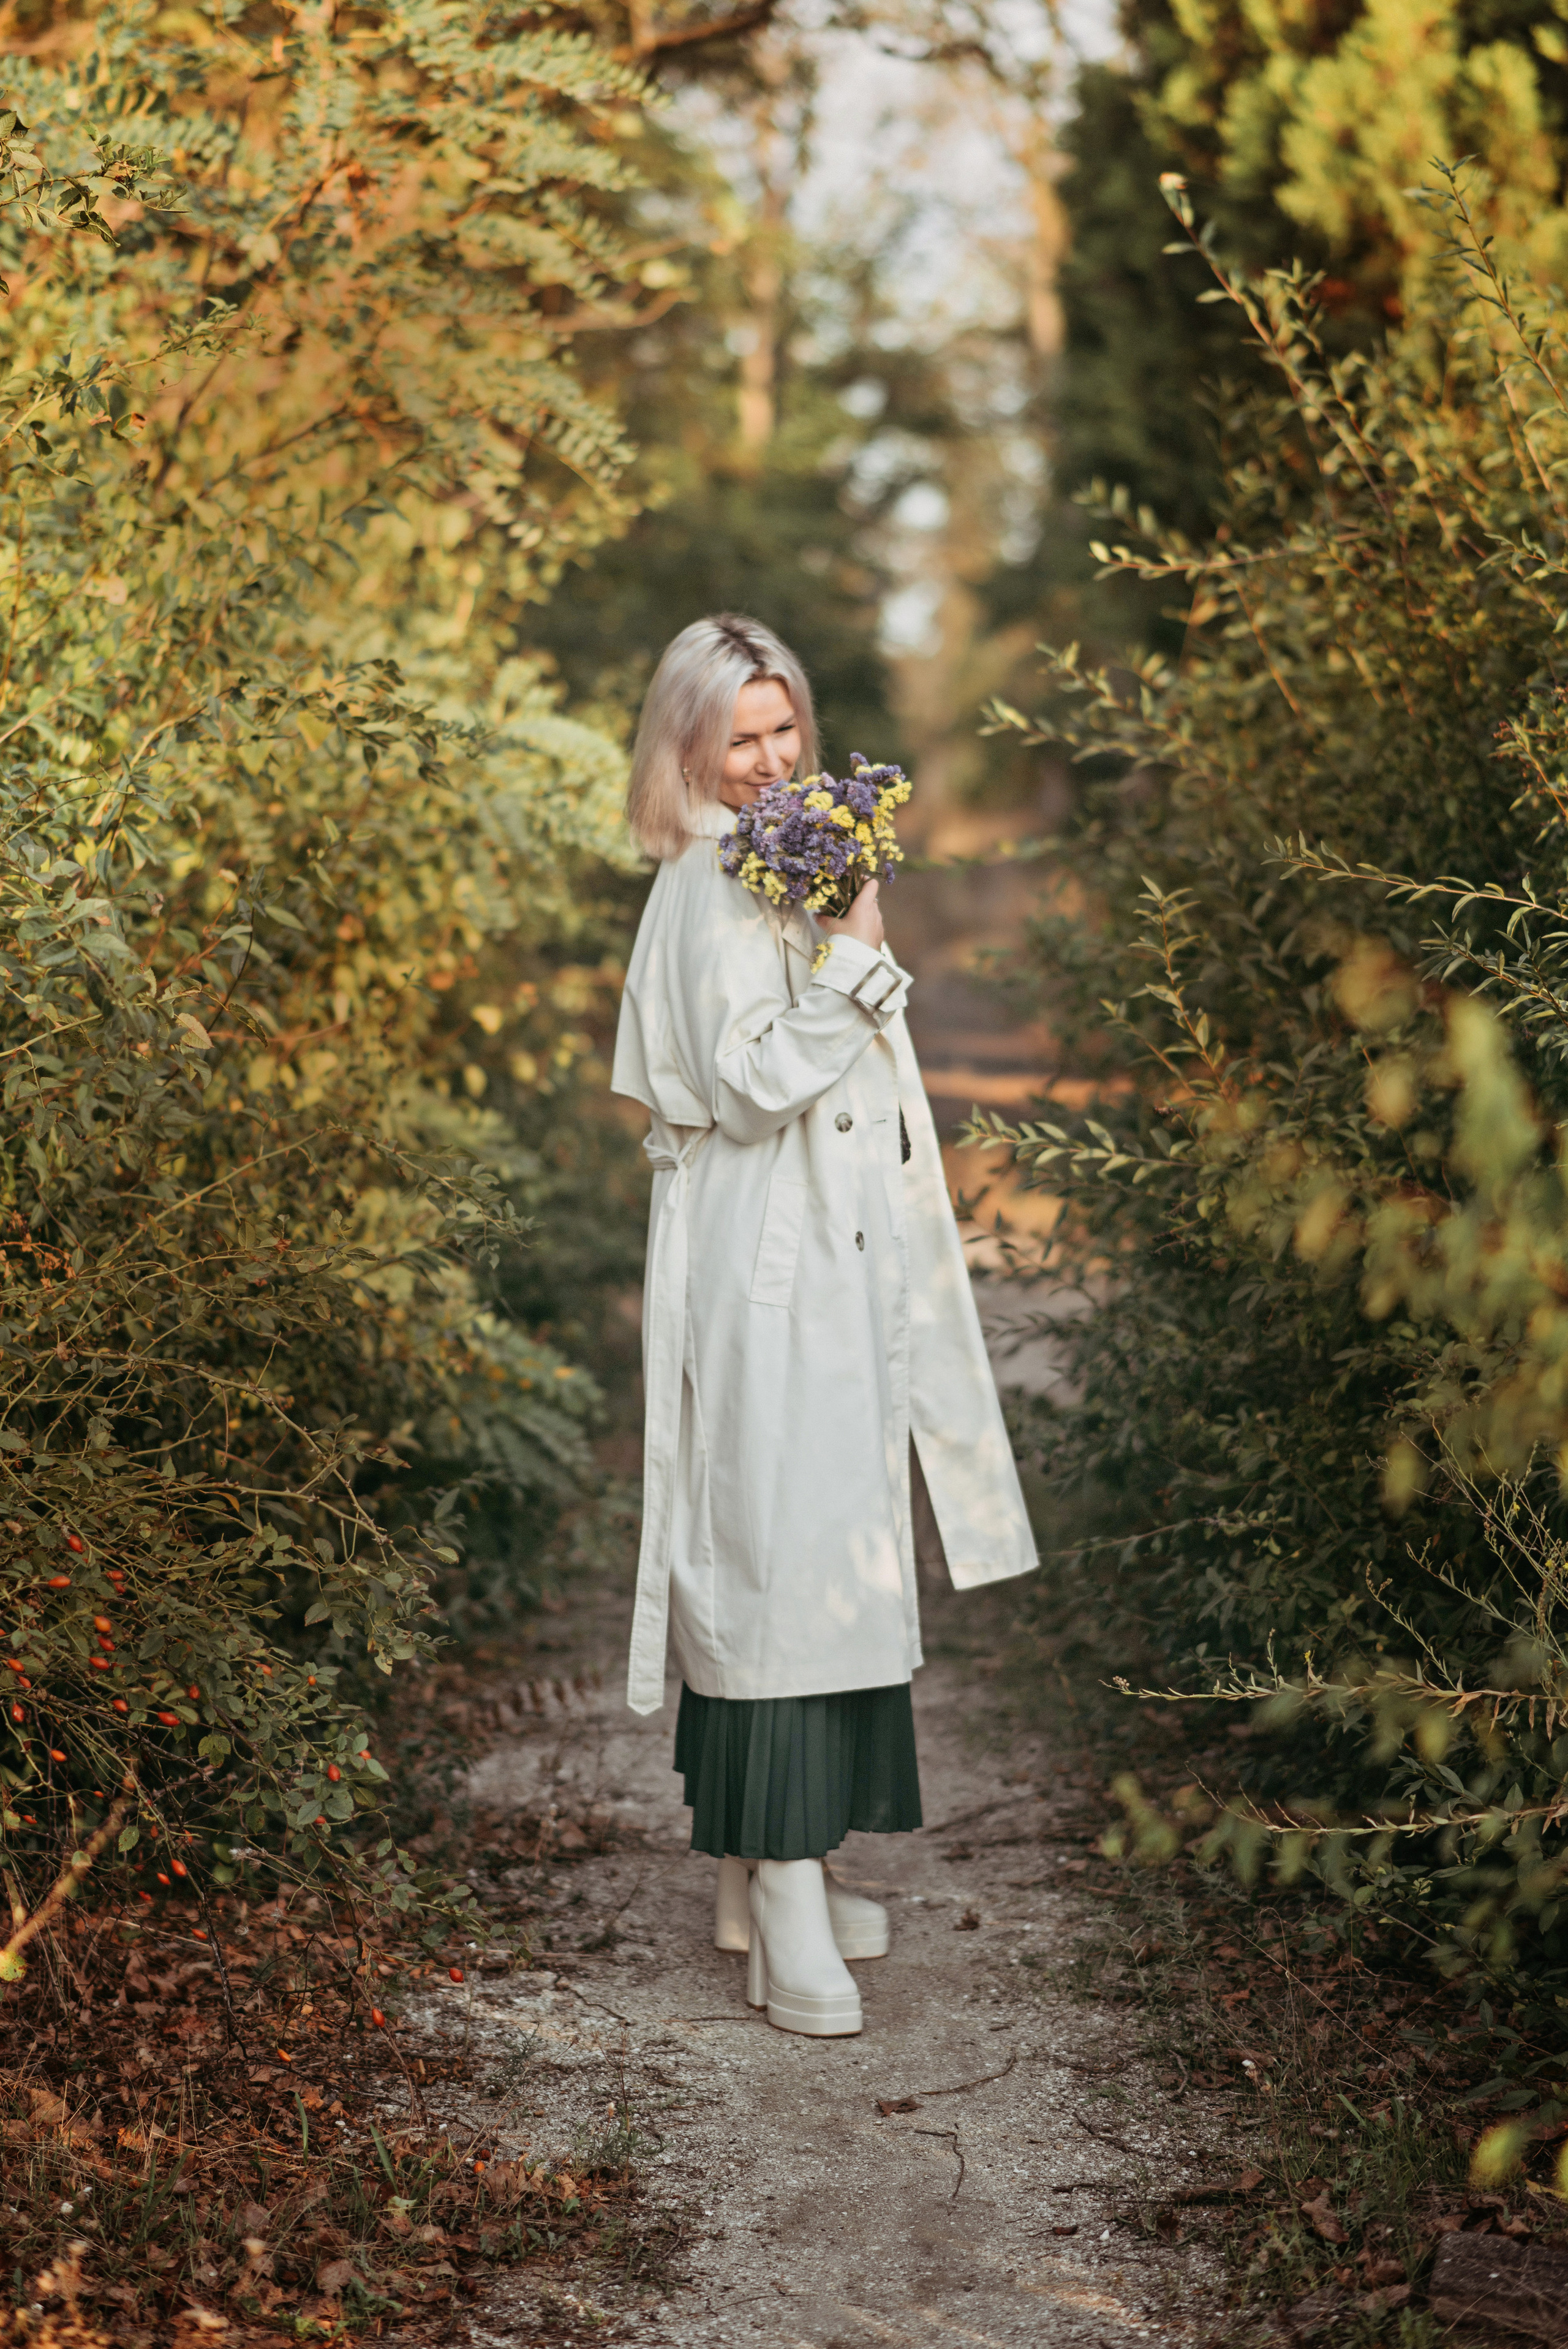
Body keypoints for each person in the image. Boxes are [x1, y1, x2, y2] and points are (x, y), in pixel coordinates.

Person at [611, 613, 1037, 2038]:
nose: (769, 759)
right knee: (776, 1559)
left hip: (834, 1255)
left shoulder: (782, 857)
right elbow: (742, 1088)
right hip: (762, 1261)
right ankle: (782, 1895)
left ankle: (762, 1873)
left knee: (826, 1553)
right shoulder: (698, 883)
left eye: (784, 729)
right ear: (684, 744)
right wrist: (860, 958)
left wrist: (841, 932)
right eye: (738, 737)